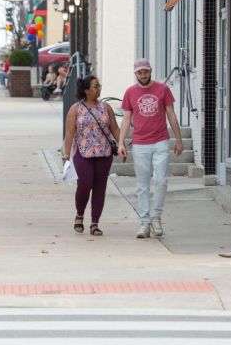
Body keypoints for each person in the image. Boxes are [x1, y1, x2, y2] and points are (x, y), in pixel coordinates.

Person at [117, 58, 183, 239]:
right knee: (142, 185)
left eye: (145, 71)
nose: (143, 75)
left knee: (161, 180)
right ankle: (144, 222)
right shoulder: (130, 92)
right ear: (135, 73)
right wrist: (121, 143)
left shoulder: (163, 89)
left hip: (160, 141)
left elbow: (171, 114)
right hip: (139, 143)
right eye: (140, 72)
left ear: (150, 71)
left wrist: (178, 140)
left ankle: (156, 217)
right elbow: (126, 119)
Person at [63, 75, 121, 236]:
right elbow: (69, 133)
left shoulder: (106, 107)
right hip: (83, 153)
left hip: (104, 153)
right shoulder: (75, 109)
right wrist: (66, 154)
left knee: (100, 188)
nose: (99, 89)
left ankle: (95, 223)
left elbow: (115, 129)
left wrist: (122, 144)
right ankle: (79, 214)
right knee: (85, 184)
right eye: (96, 86)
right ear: (87, 90)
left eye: (99, 86)